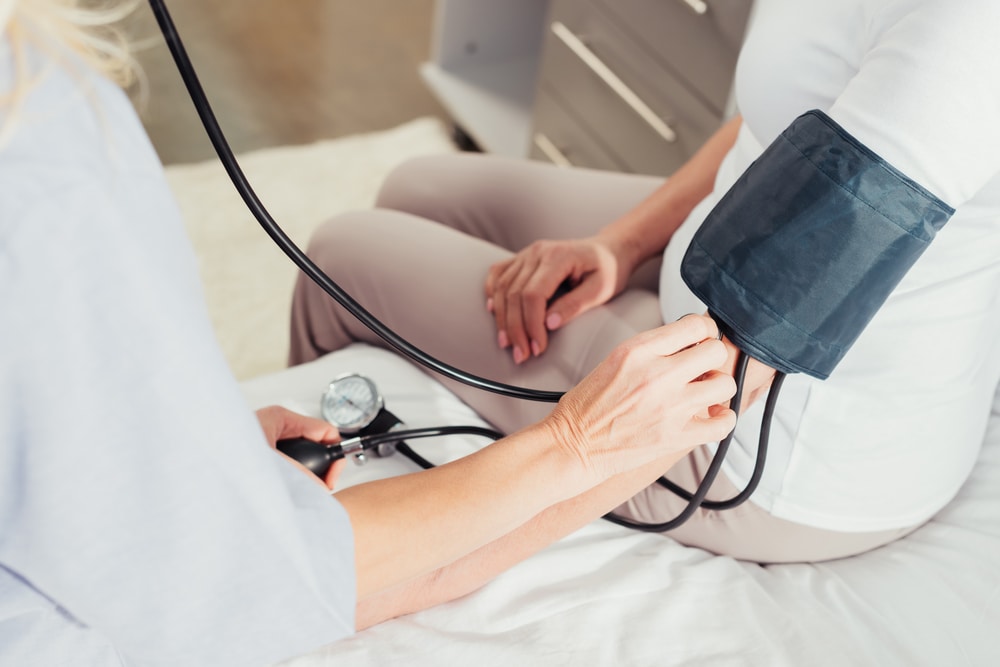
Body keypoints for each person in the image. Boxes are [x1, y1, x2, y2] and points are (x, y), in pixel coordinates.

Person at [0, 1, 738, 665]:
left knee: (387, 219)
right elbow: (240, 574)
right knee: (352, 252)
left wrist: (181, 445)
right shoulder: (40, 151)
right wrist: (573, 443)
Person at [291, 0, 1000, 565]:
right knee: (420, 185)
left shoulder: (965, 36)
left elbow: (743, 363)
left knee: (340, 259)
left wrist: (423, 557)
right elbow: (773, 113)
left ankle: (286, 504)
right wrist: (619, 246)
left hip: (779, 439)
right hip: (722, 254)